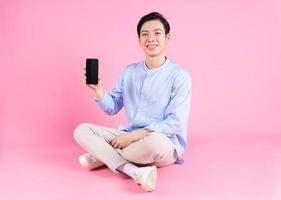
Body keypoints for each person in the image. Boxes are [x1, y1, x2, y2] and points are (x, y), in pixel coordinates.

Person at [73, 12, 192, 192]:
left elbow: (175, 123)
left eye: (157, 33)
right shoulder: (129, 72)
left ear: (167, 38)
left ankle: (102, 156)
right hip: (128, 138)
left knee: (154, 143)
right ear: (139, 39)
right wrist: (97, 90)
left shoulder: (180, 77)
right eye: (145, 34)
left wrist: (135, 136)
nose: (151, 38)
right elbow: (112, 107)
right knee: (82, 130)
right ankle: (134, 171)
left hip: (161, 142)